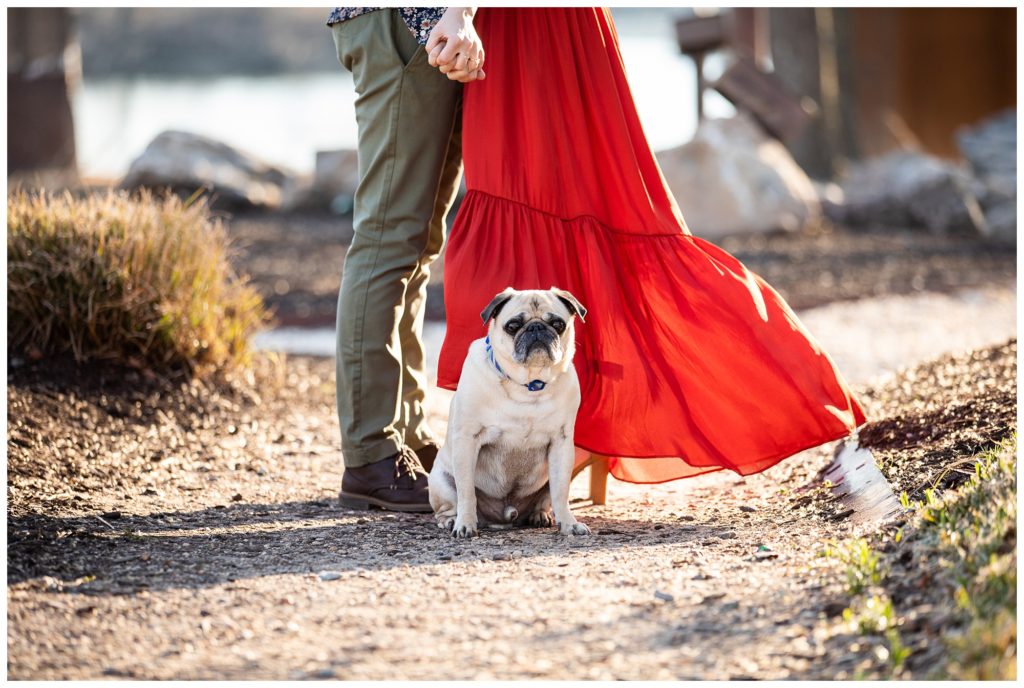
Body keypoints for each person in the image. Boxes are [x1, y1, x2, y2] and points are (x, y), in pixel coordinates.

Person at [436, 7, 868, 484]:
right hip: (530, 28)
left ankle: (581, 430)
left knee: (584, 205)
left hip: (535, 26)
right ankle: (558, 430)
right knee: (540, 201)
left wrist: (457, 11)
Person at [327, 7, 485, 512]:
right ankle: (371, 455)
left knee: (417, 245)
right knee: (388, 240)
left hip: (422, 24)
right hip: (409, 21)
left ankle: (407, 438)